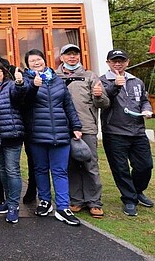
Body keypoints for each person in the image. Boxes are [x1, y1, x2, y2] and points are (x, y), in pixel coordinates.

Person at [23, 49, 82, 226]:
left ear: (44, 60)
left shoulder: (57, 80)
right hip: (37, 133)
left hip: (60, 133)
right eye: (32, 60)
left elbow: (68, 105)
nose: (36, 62)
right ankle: (45, 201)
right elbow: (23, 102)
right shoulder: (26, 81)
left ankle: (63, 207)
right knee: (40, 169)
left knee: (60, 171)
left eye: (38, 59)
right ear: (27, 64)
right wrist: (34, 86)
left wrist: (76, 126)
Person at [55, 44, 109, 218]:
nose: (72, 57)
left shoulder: (90, 76)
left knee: (90, 164)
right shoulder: (55, 77)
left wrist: (99, 95)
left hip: (86, 127)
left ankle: (94, 202)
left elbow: (104, 104)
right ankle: (76, 199)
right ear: (61, 57)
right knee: (70, 165)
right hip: (63, 128)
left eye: (75, 54)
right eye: (68, 54)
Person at [100, 49, 154, 217]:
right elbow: (102, 100)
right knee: (120, 168)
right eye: (114, 60)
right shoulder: (102, 81)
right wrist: (115, 85)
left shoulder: (136, 81)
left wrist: (146, 110)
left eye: (121, 60)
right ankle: (129, 200)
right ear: (108, 62)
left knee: (145, 165)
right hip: (114, 131)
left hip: (137, 131)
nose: (118, 63)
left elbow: (144, 100)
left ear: (127, 62)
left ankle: (137, 191)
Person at [0, 61, 28, 224]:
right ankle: (9, 201)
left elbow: (19, 94)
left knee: (12, 170)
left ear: (3, 73)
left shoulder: (10, 86)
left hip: (11, 134)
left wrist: (19, 82)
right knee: (3, 170)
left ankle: (14, 205)